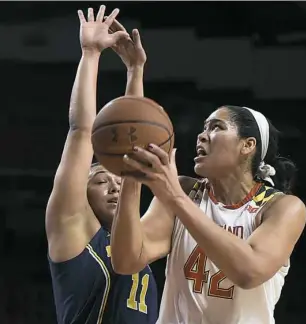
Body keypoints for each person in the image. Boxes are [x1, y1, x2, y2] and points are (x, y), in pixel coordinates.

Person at [110, 103, 306, 323]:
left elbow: (249, 272)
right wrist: (129, 174)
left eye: (216, 127)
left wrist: (176, 198)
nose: (202, 136)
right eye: (204, 128)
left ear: (248, 145)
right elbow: (126, 260)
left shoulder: (282, 207)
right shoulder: (184, 190)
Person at [46, 6, 158, 324]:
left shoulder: (136, 237)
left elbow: (133, 139)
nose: (115, 185)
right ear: (80, 191)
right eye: (100, 180)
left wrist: (135, 71)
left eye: (118, 179)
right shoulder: (72, 228)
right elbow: (81, 132)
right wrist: (91, 54)